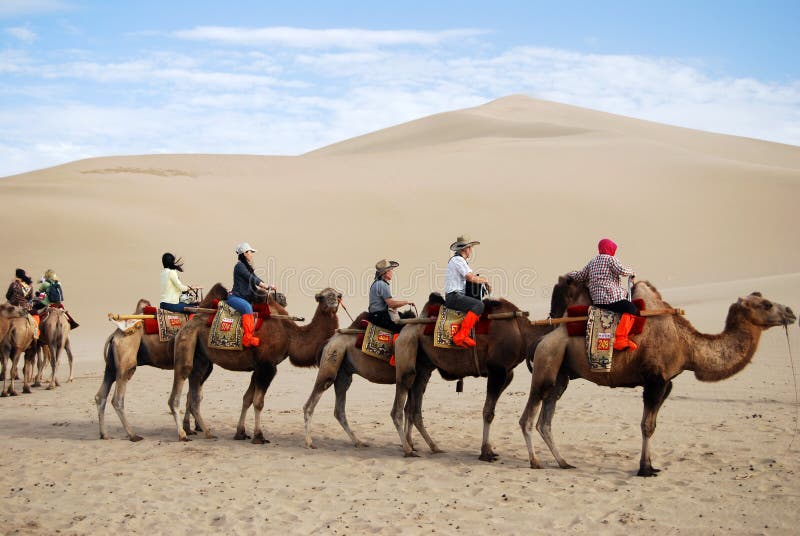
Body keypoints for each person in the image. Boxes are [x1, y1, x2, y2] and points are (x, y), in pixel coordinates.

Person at [568, 238, 638, 351]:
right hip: (612, 299)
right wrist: (632, 272)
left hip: (599, 302)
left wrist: (571, 273)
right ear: (610, 249)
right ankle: (620, 339)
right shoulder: (610, 259)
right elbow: (622, 270)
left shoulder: (592, 261)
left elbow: (580, 276)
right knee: (631, 309)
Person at [445, 235, 491, 348]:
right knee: (479, 306)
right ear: (465, 249)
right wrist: (484, 280)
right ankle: (461, 336)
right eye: (470, 247)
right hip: (454, 296)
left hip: (456, 295)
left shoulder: (459, 261)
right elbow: (470, 277)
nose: (471, 250)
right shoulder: (458, 260)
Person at [228, 242, 275, 347]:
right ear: (244, 253)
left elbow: (256, 278)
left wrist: (267, 285)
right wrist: (266, 286)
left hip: (244, 297)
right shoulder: (239, 266)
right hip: (236, 297)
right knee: (247, 307)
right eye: (250, 252)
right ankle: (247, 339)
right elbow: (251, 278)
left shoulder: (246, 266)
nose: (251, 254)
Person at [368, 259, 414, 333]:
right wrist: (406, 302)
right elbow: (391, 304)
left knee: (404, 317)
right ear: (385, 273)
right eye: (390, 270)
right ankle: (397, 344)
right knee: (404, 327)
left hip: (375, 315)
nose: (392, 272)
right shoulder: (382, 284)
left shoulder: (377, 283)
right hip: (380, 317)